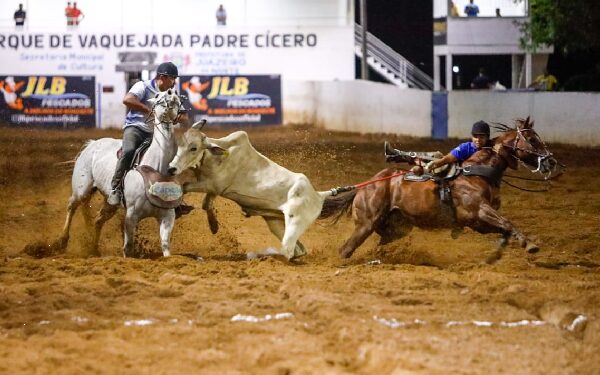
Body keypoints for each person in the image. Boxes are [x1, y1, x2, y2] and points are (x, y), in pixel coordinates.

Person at [107, 62, 188, 205]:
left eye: (175, 78)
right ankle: (116, 189)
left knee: (172, 157)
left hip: (156, 133)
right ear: (162, 77)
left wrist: (174, 115)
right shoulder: (143, 86)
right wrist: (149, 109)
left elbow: (184, 117)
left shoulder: (171, 95)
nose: (174, 82)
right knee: (129, 150)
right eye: (172, 78)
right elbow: (128, 100)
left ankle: (174, 196)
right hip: (136, 128)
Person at [424, 121, 492, 173]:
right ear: (472, 136)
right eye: (475, 137)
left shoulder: (493, 148)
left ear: (487, 138)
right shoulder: (465, 147)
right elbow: (448, 158)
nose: (478, 140)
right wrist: (436, 163)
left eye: (482, 137)